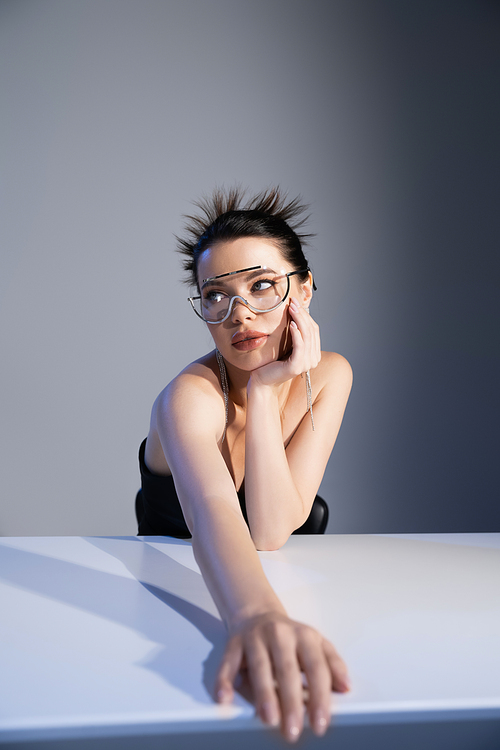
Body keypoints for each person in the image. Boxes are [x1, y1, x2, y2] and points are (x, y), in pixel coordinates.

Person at [136, 187, 353, 743]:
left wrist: (263, 392)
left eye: (262, 286)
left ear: (302, 290)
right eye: (217, 295)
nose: (240, 315)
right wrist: (257, 616)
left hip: (309, 589)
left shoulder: (329, 374)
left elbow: (272, 529)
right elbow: (222, 511)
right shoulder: (189, 396)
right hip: (173, 596)